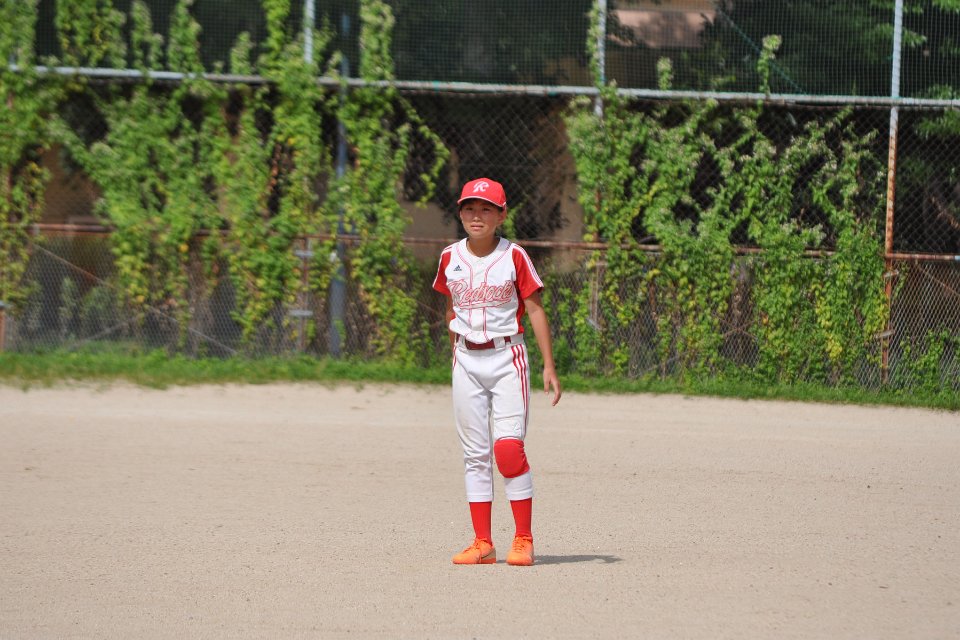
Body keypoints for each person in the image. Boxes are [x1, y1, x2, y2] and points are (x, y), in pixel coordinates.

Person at [432, 177, 562, 567]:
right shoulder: (449, 257)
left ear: (501, 215)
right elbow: (451, 308)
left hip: (507, 358)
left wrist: (549, 365)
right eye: (470, 208)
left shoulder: (514, 256)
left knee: (507, 449)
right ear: (460, 213)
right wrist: (456, 350)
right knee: (475, 454)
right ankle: (482, 542)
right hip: (466, 359)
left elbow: (535, 309)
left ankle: (523, 538)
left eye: (486, 209)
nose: (477, 215)